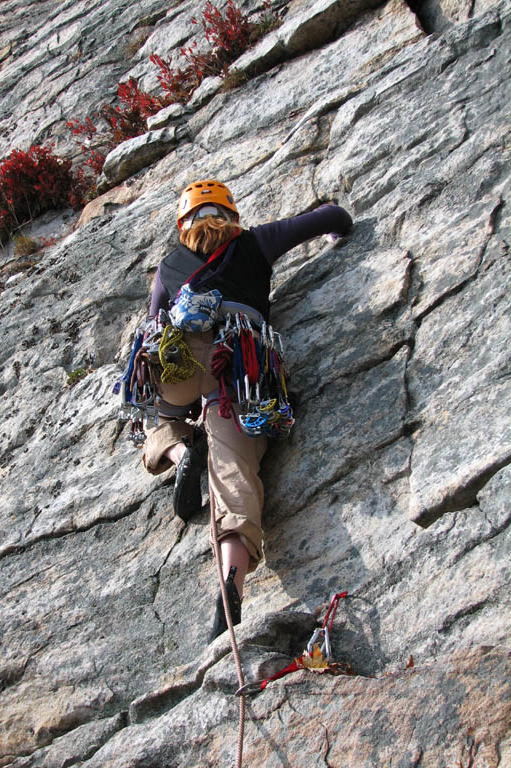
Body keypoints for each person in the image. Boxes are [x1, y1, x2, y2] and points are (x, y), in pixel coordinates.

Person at [142, 179, 353, 642]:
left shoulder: (167, 267)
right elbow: (332, 218)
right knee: (234, 476)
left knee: (162, 416)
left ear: (183, 224)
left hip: (177, 369)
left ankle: (179, 456)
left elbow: (155, 324)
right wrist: (338, 233)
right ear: (231, 215)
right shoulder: (255, 241)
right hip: (238, 368)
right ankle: (230, 587)